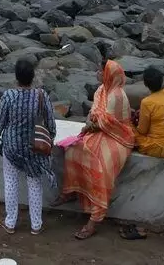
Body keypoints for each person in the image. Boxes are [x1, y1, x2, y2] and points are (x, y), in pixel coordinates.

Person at [61, 59, 136, 239]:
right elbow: (94, 115)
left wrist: (88, 127)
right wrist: (89, 125)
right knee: (73, 150)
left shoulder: (116, 96)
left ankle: (95, 219)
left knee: (101, 166)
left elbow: (105, 123)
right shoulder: (102, 90)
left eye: (102, 71)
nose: (99, 74)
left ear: (110, 75)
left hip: (118, 138)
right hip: (101, 132)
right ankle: (73, 191)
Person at [0, 57, 57, 234]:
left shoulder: (8, 96)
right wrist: (49, 140)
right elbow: (51, 124)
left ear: (16, 77)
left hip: (11, 146)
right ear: (33, 77)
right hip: (34, 148)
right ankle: (36, 225)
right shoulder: (41, 96)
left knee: (10, 182)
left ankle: (10, 222)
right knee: (34, 184)